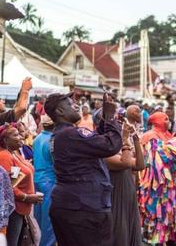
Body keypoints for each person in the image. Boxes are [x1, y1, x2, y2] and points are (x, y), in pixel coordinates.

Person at [44, 92, 122, 246]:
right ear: (60, 111)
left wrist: (105, 118)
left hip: (74, 205)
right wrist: (112, 118)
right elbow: (110, 145)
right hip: (84, 208)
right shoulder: (70, 134)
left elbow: (95, 141)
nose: (76, 106)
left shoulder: (63, 134)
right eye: (70, 104)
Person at [139, 111, 176, 246]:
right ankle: (155, 237)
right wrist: (175, 144)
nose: (169, 121)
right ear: (157, 122)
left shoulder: (167, 135)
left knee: (171, 209)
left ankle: (170, 237)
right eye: (165, 119)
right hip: (157, 181)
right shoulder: (150, 136)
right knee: (157, 210)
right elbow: (159, 158)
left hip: (171, 181)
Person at [0, 123, 42, 246]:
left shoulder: (14, 153)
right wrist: (27, 197)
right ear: (5, 140)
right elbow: (9, 187)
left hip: (22, 208)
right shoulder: (3, 156)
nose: (20, 136)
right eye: (15, 135)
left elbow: (16, 178)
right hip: (14, 209)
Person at [105, 106, 145, 246]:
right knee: (120, 233)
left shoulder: (122, 151)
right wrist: (125, 139)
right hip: (116, 198)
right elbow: (126, 163)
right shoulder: (107, 155)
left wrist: (136, 140)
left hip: (128, 195)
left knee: (130, 230)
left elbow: (140, 165)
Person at [33, 115, 56, 246]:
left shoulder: (38, 138)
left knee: (40, 219)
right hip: (50, 182)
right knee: (49, 223)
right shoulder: (52, 140)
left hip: (38, 180)